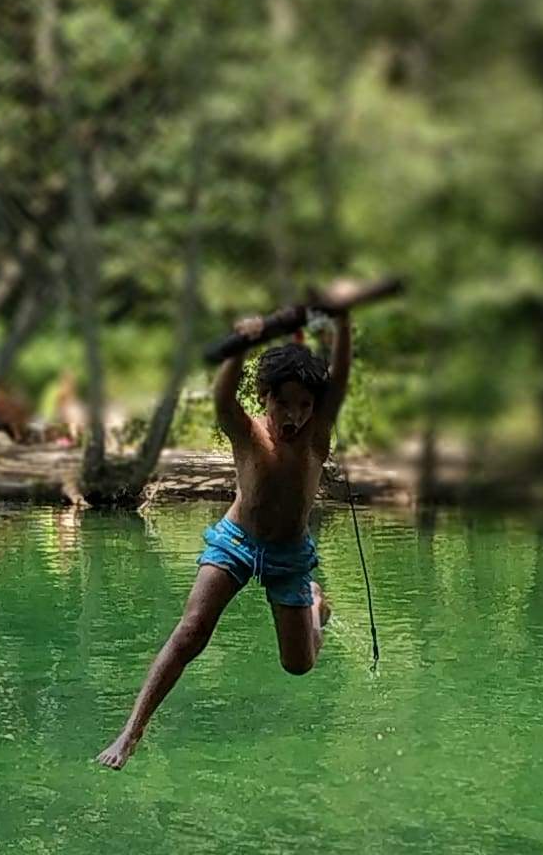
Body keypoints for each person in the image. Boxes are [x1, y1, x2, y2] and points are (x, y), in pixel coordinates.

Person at [95, 291, 359, 767]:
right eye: (284, 404)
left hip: (289, 554)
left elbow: (338, 381)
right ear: (265, 400)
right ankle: (130, 734)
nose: (294, 416)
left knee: (298, 665)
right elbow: (222, 394)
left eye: (304, 406)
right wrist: (241, 342)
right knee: (191, 631)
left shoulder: (317, 436)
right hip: (236, 543)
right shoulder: (247, 431)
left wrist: (341, 325)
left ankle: (316, 604)